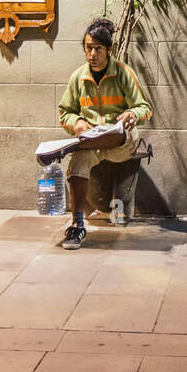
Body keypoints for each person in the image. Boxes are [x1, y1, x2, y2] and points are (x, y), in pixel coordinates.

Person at [56, 18, 152, 249]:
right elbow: (65, 112)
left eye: (98, 48)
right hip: (94, 143)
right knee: (77, 161)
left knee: (123, 134)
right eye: (89, 48)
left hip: (122, 143)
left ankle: (107, 135)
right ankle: (77, 225)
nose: (93, 54)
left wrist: (131, 114)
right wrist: (77, 122)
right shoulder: (78, 78)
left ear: (109, 50)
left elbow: (144, 107)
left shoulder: (123, 73)